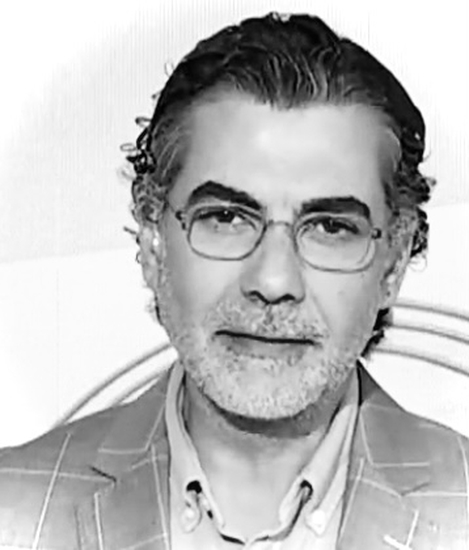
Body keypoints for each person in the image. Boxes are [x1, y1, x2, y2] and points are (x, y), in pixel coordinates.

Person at [0, 11, 468, 550]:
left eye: (330, 227)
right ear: (152, 239)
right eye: (226, 218)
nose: (273, 280)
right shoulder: (15, 511)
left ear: (394, 261)